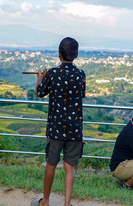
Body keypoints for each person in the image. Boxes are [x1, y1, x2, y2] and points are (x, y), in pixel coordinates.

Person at [31, 37, 86, 206]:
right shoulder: (81, 74)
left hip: (56, 128)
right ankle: (67, 204)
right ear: (76, 54)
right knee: (70, 167)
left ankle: (45, 201)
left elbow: (40, 92)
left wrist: (41, 77)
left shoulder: (53, 74)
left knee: (51, 164)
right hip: (74, 128)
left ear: (59, 54)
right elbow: (81, 94)